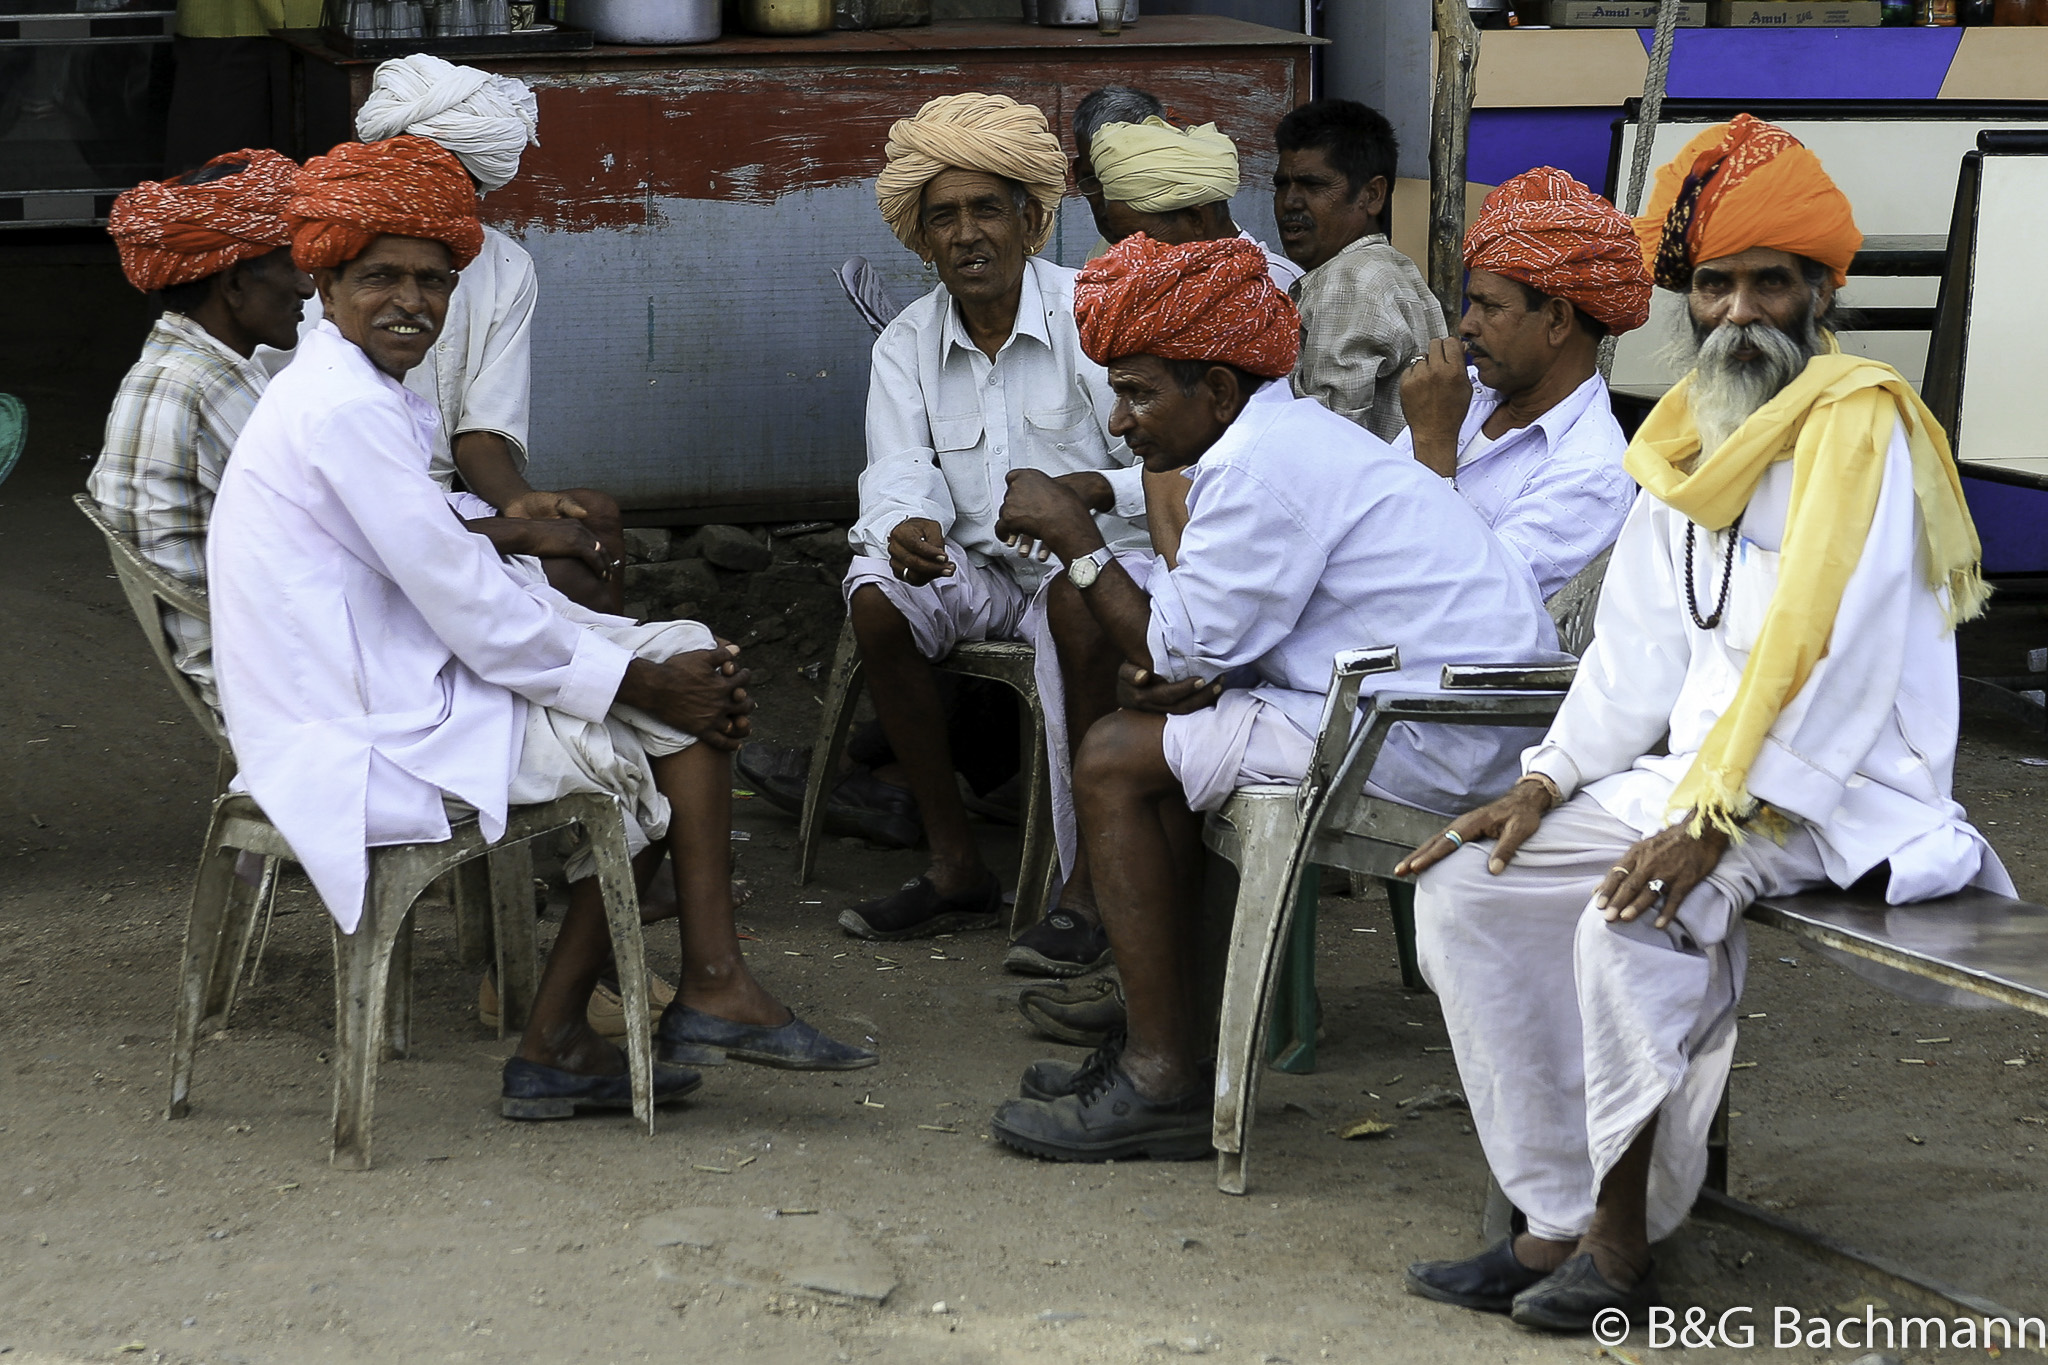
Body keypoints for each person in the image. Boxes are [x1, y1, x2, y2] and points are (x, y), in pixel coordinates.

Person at [1394, 115, 2002, 1333]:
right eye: (1712, 287)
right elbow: (1637, 652)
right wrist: (1546, 779)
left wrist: (1714, 824)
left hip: (1828, 789)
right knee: (1469, 886)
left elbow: (1838, 659)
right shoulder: (1683, 431)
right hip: (1688, 777)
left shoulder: (1861, 427)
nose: (1733, 314)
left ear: (1818, 294)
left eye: (1764, 285)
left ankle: (1618, 1251)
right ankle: (1553, 1215)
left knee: (1624, 916)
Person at [208, 136, 873, 1122]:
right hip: (355, 724)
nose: (413, 304)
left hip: (385, 678)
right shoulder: (340, 409)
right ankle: (642, 1008)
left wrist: (626, 659)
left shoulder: (358, 392)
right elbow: (467, 606)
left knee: (684, 667)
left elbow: (463, 573)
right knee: (665, 724)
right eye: (383, 277)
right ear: (329, 279)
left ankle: (660, 1000)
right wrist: (631, 680)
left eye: (433, 283)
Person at [984, 234, 1564, 1162]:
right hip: (1426, 709)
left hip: (1428, 735)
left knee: (1112, 758)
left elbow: (1171, 639)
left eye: (1139, 392)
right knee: (1158, 738)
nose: (1121, 421)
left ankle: (1162, 1076)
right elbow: (1197, 641)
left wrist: (1078, 538)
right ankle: (1164, 1044)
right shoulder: (1271, 441)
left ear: (1216, 390)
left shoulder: (1261, 466)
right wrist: (1185, 666)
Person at [806, 91, 1153, 965]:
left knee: (1077, 609)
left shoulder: (1091, 314)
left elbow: (1172, 467)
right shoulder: (908, 345)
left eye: (986, 210)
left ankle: (1087, 888)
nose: (966, 234)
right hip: (986, 570)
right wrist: (906, 526)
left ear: (1029, 220)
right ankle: (956, 862)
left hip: (1103, 561)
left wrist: (1089, 494)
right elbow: (896, 469)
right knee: (877, 597)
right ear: (923, 240)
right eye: (945, 217)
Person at [353, 53, 627, 614]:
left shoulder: (503, 265)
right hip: (356, 509)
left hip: (440, 500)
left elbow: (479, 430)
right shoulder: (330, 265)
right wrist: (521, 534)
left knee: (593, 522)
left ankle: (586, 681)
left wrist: (519, 503)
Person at [90, 148, 313, 713]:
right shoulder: (204, 386)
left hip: (252, 644)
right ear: (236, 284)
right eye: (292, 264)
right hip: (270, 676)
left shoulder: (185, 368)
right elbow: (348, 533)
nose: (308, 288)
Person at [1391, 167, 1649, 600]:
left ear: (1557, 320)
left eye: (1489, 307)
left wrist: (1435, 446)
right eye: (1470, 304)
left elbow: (1470, 603)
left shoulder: (1590, 473)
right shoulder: (1466, 392)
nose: (1466, 326)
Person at [1275, 99, 1445, 442]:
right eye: (1281, 185)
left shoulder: (1349, 279)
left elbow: (1325, 439)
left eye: (1313, 185)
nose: (1290, 201)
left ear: (1372, 195)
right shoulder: (1385, 268)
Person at [1088, 116, 1300, 293]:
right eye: (1119, 242)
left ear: (1196, 219)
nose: (1124, 255)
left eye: (1139, 240)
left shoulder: (1275, 287)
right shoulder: (1130, 284)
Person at [1068, 86, 1165, 246]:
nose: (1109, 204)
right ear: (1078, 174)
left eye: (1125, 180)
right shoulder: (1100, 259)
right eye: (1094, 181)